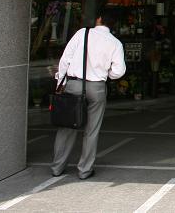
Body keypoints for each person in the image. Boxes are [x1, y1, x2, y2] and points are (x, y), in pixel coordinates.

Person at [51, 10, 126, 179]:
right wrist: (106, 74)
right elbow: (119, 71)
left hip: (74, 84)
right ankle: (84, 170)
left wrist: (60, 82)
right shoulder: (115, 43)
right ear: (113, 24)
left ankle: (57, 167)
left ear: (99, 19)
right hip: (97, 87)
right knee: (92, 130)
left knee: (67, 127)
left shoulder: (82, 33)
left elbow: (65, 59)